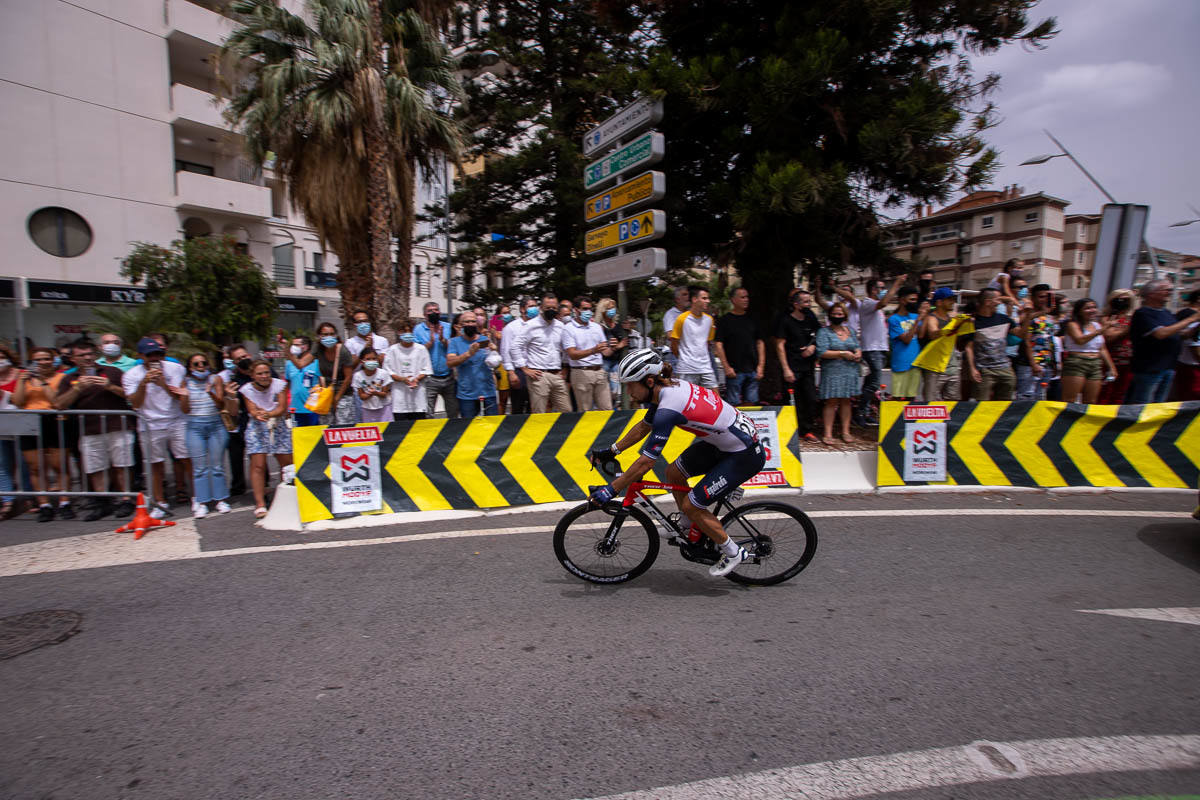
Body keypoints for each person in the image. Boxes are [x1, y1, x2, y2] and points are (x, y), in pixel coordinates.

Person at [588, 348, 766, 578]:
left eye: (631, 385)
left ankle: (733, 552)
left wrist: (610, 490)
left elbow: (645, 464)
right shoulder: (667, 389)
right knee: (674, 472)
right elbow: (644, 426)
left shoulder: (668, 408)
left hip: (743, 454)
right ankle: (687, 522)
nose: (628, 391)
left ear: (649, 381)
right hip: (725, 444)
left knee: (693, 505)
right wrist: (612, 451)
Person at [52, 341, 135, 521]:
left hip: (117, 426)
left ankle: (126, 500)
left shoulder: (112, 372)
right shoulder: (68, 379)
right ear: (73, 359)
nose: (88, 358)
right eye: (82, 355)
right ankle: (103, 502)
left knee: (122, 465)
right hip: (89, 430)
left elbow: (131, 396)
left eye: (90, 354)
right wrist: (77, 389)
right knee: (96, 468)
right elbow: (59, 404)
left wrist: (110, 386)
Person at [122, 337, 190, 519]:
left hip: (176, 420)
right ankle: (160, 502)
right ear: (140, 356)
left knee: (186, 459)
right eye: (150, 355)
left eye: (158, 354)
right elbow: (135, 404)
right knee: (155, 465)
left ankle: (197, 498)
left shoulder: (175, 369)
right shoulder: (131, 375)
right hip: (149, 424)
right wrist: (144, 383)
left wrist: (163, 385)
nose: (155, 359)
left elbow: (180, 396)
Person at [13, 347, 71, 521]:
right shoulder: (25, 378)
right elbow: (17, 401)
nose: (42, 362)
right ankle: (44, 504)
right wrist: (22, 381)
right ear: (33, 362)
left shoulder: (62, 377)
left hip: (54, 421)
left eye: (46, 359)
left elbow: (56, 402)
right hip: (30, 421)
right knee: (35, 467)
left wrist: (43, 382)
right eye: (38, 360)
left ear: (53, 360)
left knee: (59, 465)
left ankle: (64, 502)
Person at [1128, 279, 1197, 404]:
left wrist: (1196, 327)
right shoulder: (1143, 313)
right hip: (1150, 368)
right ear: (1151, 294)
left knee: (1159, 406)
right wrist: (1191, 319)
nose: (1169, 293)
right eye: (1166, 290)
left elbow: (1178, 335)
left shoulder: (1166, 313)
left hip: (1168, 367)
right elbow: (1161, 334)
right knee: (1142, 405)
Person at [180, 352, 231, 518]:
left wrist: (210, 393)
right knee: (200, 467)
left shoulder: (215, 379)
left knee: (217, 466)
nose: (201, 366)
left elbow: (221, 404)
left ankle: (220, 499)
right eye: (196, 364)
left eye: (204, 363)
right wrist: (185, 396)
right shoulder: (185, 382)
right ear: (190, 367)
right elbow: (185, 410)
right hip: (195, 426)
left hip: (215, 424)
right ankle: (201, 502)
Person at [239, 360, 292, 519]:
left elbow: (282, 408)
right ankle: (260, 503)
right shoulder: (246, 389)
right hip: (257, 427)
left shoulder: (279, 385)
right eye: (260, 373)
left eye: (267, 372)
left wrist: (268, 414)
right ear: (252, 375)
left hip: (278, 424)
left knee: (286, 464)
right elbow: (252, 409)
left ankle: (287, 499)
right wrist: (258, 414)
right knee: (258, 465)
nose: (264, 376)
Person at [775, 287, 821, 443]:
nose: (808, 304)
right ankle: (789, 431)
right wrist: (786, 369)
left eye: (810, 301)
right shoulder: (785, 320)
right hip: (792, 366)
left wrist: (812, 347)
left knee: (810, 399)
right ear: (795, 304)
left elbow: (818, 336)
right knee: (792, 400)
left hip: (808, 368)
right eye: (805, 302)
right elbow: (780, 345)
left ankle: (806, 430)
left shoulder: (811, 318)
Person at [856, 275, 904, 424]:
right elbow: (883, 302)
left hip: (879, 349)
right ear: (873, 289)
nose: (883, 291)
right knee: (874, 384)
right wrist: (896, 284)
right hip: (872, 349)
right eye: (881, 288)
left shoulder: (874, 307)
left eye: (884, 288)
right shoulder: (868, 303)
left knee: (869, 383)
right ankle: (859, 412)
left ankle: (865, 412)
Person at [512, 293, 571, 413]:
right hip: (538, 375)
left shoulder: (560, 326)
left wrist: (565, 367)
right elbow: (515, 347)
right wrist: (524, 368)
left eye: (554, 308)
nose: (551, 310)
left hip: (556, 374)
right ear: (541, 308)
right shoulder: (531, 326)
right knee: (539, 413)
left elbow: (565, 349)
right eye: (547, 308)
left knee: (566, 411)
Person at [913, 289, 972, 402]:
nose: (952, 302)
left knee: (953, 403)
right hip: (934, 367)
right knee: (931, 402)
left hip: (952, 366)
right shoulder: (932, 318)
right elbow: (933, 333)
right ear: (939, 302)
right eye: (949, 299)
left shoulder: (952, 319)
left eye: (953, 299)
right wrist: (952, 326)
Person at [966, 288, 1023, 401]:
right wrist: (972, 369)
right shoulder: (972, 322)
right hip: (984, 370)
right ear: (988, 302)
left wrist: (1028, 317)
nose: (999, 302)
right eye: (997, 299)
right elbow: (969, 347)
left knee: (1004, 404)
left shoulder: (1004, 319)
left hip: (1005, 368)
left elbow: (1021, 334)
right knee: (981, 403)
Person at [815, 303, 861, 443]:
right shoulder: (824, 332)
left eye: (840, 314)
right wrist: (842, 353)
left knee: (846, 401)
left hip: (850, 370)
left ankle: (846, 432)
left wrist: (858, 353)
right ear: (830, 315)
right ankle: (828, 433)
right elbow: (821, 352)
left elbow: (857, 346)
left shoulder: (850, 331)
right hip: (832, 371)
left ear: (845, 315)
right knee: (831, 401)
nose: (837, 316)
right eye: (834, 314)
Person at [1060, 297, 1117, 404]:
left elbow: (1102, 348)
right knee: (1069, 399)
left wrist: (1111, 367)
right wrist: (1102, 330)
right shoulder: (1072, 324)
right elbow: (1080, 340)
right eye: (1087, 308)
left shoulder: (1096, 325)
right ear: (1079, 311)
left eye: (1094, 307)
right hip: (1077, 362)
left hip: (1095, 364)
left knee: (1090, 401)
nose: (1092, 310)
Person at [715, 286, 766, 406]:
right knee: (733, 404)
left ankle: (748, 424)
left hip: (753, 369)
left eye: (747, 297)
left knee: (752, 402)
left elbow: (760, 343)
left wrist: (761, 367)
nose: (746, 299)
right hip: (734, 370)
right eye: (742, 297)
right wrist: (726, 367)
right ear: (733, 300)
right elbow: (718, 344)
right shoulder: (725, 320)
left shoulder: (753, 319)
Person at [561, 297, 614, 411]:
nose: (588, 312)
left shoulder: (596, 327)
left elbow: (605, 351)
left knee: (607, 409)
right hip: (581, 372)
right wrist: (593, 350)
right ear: (576, 310)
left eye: (590, 309)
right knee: (585, 411)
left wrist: (614, 347)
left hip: (599, 371)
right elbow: (572, 354)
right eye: (585, 309)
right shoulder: (568, 329)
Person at [446, 310, 499, 418]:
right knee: (468, 428)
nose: (470, 324)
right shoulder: (454, 342)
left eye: (473, 321)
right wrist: (469, 353)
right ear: (461, 325)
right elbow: (450, 362)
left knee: (492, 427)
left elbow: (494, 362)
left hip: (488, 392)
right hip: (467, 395)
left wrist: (494, 352)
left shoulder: (485, 340)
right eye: (467, 322)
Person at [1014, 284, 1059, 401]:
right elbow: (1027, 340)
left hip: (1046, 364)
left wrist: (1054, 362)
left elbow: (1050, 340)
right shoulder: (1027, 314)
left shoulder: (1050, 318)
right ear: (1033, 298)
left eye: (1047, 297)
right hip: (1028, 365)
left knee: (1040, 398)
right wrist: (1033, 363)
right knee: (1025, 398)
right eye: (1041, 297)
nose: (1044, 300)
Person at [414, 301, 458, 418]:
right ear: (425, 315)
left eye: (436, 310)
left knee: (453, 411)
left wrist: (443, 340)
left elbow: (455, 349)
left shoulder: (448, 327)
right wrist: (430, 343)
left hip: (448, 377)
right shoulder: (418, 329)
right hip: (429, 378)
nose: (434, 312)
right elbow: (416, 353)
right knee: (428, 413)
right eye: (430, 311)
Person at [670, 286, 718, 388]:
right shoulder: (682, 319)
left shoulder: (709, 320)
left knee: (715, 400)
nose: (708, 301)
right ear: (694, 299)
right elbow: (673, 344)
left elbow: (708, 344)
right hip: (686, 370)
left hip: (706, 368)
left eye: (708, 298)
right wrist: (684, 358)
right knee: (686, 401)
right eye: (704, 298)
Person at [385, 320, 431, 420]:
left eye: (409, 331)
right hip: (399, 400)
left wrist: (416, 379)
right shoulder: (392, 350)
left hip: (417, 400)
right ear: (398, 332)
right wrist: (403, 379)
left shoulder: (421, 349)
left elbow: (426, 369)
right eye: (404, 331)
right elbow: (388, 371)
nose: (407, 333)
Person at [887, 287, 925, 402]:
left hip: (915, 362)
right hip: (901, 363)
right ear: (902, 300)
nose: (914, 303)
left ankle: (909, 420)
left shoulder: (914, 316)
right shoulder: (894, 319)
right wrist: (918, 320)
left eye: (916, 300)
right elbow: (906, 339)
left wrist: (925, 315)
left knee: (911, 397)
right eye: (912, 300)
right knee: (897, 398)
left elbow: (922, 335)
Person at [313, 323, 355, 425]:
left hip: (343, 394)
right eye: (325, 334)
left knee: (343, 426)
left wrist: (337, 398)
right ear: (319, 336)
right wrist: (287, 350)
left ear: (336, 335)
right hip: (326, 394)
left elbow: (348, 378)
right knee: (326, 426)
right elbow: (301, 364)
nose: (329, 337)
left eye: (332, 334)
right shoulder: (318, 349)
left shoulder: (343, 351)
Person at [1098, 289, 1136, 404]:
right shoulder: (1107, 318)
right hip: (1109, 361)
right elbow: (1108, 337)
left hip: (1128, 362)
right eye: (1119, 299)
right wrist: (1126, 330)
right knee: (1105, 392)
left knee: (1120, 393)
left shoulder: (1132, 318)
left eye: (1126, 299)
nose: (1122, 302)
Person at [501, 299, 538, 415]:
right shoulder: (511, 328)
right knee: (518, 407)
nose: (535, 309)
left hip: (536, 370)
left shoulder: (539, 325)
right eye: (531, 306)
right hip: (519, 373)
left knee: (534, 407)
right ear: (522, 309)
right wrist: (511, 373)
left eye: (536, 306)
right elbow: (505, 351)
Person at [0, 345, 20, 518]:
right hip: (1, 427)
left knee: (26, 464)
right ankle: (8, 500)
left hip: (22, 424)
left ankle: (31, 498)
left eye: (1, 356)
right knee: (3, 464)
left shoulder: (20, 374)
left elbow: (22, 398)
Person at [285, 335, 322, 426]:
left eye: (297, 345)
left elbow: (322, 383)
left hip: (312, 408)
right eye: (293, 345)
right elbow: (287, 386)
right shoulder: (289, 364)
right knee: (298, 436)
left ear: (305, 347)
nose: (293, 347)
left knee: (313, 435)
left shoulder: (316, 363)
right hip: (296, 409)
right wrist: (287, 407)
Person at [352, 349, 394, 423]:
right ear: (362, 361)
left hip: (384, 408)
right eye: (368, 359)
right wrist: (369, 394)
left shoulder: (383, 373)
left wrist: (376, 393)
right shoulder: (358, 376)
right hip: (368, 409)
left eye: (374, 359)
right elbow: (361, 396)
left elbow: (384, 394)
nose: (371, 361)